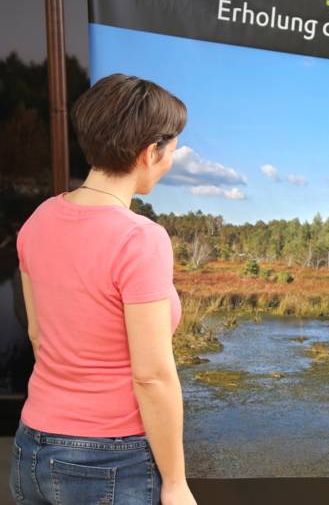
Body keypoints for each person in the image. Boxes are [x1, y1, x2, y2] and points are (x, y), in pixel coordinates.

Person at [9, 74, 197, 505]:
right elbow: (151, 377)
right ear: (150, 151)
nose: (172, 159)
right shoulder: (140, 238)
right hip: (109, 463)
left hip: (31, 447)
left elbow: (39, 336)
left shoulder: (40, 219)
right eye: (172, 148)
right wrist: (175, 483)